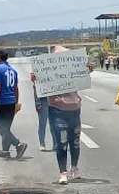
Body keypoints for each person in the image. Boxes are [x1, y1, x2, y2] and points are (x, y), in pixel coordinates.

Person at [33, 46, 89, 184]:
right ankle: (63, 172)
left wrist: (87, 69)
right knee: (62, 143)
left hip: (75, 110)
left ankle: (74, 168)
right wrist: (36, 79)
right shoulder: (49, 72)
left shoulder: (74, 71)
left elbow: (85, 75)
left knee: (75, 143)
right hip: (57, 111)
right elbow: (39, 87)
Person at [0, 49, 28, 160]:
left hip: (2, 102)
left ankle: (18, 144)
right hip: (11, 102)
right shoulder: (13, 70)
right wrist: (16, 102)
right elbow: (16, 88)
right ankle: (6, 151)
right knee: (6, 127)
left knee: (1, 128)